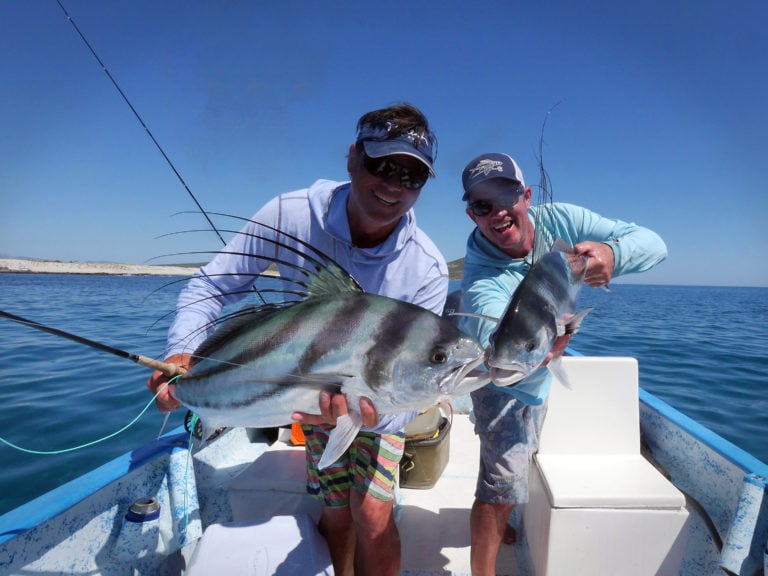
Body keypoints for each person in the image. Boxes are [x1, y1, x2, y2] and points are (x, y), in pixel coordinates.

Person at [146, 103, 448, 576]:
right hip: (304, 386)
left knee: (372, 514)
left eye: (412, 176)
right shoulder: (290, 213)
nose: (394, 184)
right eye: (382, 165)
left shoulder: (426, 267)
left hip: (377, 398)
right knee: (334, 509)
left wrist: (376, 414)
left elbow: (413, 392)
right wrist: (182, 354)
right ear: (353, 156)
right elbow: (212, 285)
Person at [458, 152, 668, 576]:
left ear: (526, 195)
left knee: (512, 469)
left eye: (506, 196)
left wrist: (611, 253)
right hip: (504, 382)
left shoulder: (561, 219)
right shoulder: (481, 275)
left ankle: (504, 517)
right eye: (482, 204)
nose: (497, 212)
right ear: (471, 214)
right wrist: (544, 346)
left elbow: (655, 245)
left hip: (539, 370)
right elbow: (492, 337)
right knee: (499, 488)